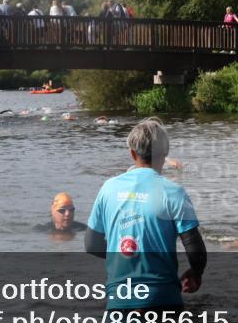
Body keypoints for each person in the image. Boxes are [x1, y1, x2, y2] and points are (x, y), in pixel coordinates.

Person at [85, 117, 206, 311]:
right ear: (165, 153)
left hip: (119, 300)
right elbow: (195, 250)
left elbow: (91, 245)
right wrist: (196, 272)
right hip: (164, 298)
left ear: (133, 154)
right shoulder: (174, 192)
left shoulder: (108, 188)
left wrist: (126, 255)